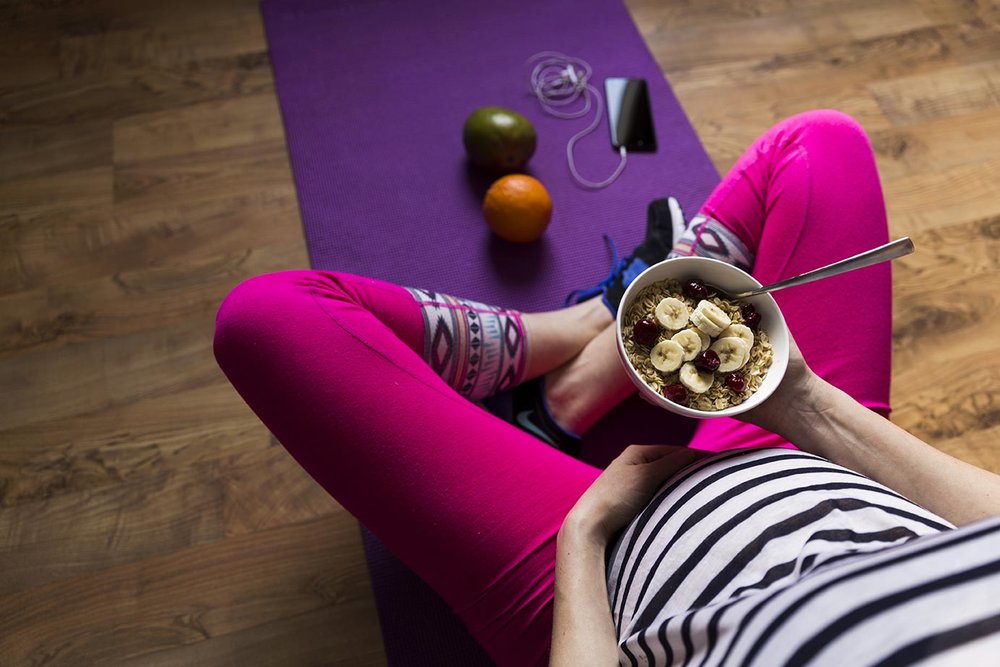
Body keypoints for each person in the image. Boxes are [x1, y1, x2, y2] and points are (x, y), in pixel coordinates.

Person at [213, 110, 1000, 666]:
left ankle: (584, 333)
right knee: (821, 143)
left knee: (266, 318)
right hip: (822, 457)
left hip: (621, 574)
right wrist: (805, 401)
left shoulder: (593, 542)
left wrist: (585, 534)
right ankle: (601, 332)